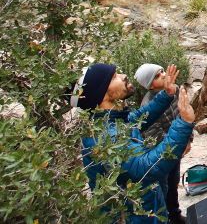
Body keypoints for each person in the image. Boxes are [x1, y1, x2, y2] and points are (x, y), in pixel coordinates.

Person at [72, 63, 194, 224]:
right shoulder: (106, 137)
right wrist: (183, 124)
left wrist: (166, 94)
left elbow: (138, 117)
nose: (123, 76)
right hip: (134, 217)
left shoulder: (112, 120)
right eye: (114, 77)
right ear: (101, 95)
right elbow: (145, 169)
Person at [134, 64, 187, 224]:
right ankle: (165, 219)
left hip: (175, 148)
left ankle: (175, 215)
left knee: (174, 183)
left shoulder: (174, 91)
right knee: (163, 188)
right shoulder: (147, 105)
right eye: (157, 76)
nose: (163, 75)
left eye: (162, 71)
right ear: (149, 85)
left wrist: (187, 139)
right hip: (161, 154)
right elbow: (154, 134)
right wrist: (177, 144)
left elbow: (183, 114)